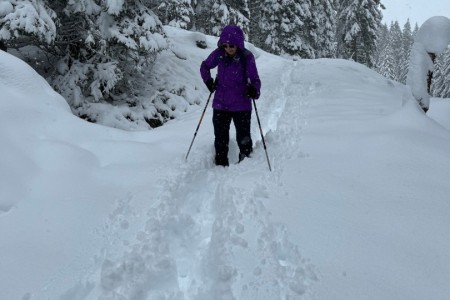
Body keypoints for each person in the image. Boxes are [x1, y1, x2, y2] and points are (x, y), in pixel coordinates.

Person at [200, 25, 261, 167]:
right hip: (221, 104)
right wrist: (208, 81)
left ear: (238, 44)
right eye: (225, 45)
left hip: (242, 104)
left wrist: (254, 90)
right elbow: (205, 66)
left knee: (244, 139)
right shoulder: (219, 54)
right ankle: (220, 167)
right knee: (220, 139)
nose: (228, 48)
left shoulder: (246, 57)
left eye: (232, 45)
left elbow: (255, 79)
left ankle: (246, 168)